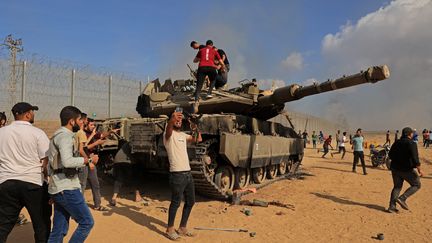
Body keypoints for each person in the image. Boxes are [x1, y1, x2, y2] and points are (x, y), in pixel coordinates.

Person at [0, 103, 51, 243]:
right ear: (27, 114)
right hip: (33, 183)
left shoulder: (2, 132)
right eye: (32, 112)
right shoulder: (37, 133)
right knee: (42, 224)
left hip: (6, 183)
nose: (33, 114)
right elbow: (46, 160)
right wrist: (47, 179)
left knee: (3, 225)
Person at [47, 106, 98, 243]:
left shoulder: (58, 135)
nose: (83, 123)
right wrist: (88, 160)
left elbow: (49, 165)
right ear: (72, 121)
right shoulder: (64, 137)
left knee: (58, 230)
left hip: (60, 187)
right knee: (87, 222)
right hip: (67, 188)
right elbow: (67, 161)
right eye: (80, 120)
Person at [163, 110, 202, 240]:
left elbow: (198, 139)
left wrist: (195, 126)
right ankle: (169, 229)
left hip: (187, 173)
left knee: (191, 201)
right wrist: (172, 119)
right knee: (175, 202)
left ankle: (182, 227)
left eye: (180, 120)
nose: (178, 121)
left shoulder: (182, 135)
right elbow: (169, 128)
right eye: (176, 120)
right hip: (177, 174)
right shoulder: (168, 135)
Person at [387, 127, 423, 213]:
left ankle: (391, 207)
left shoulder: (396, 143)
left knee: (397, 187)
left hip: (395, 168)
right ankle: (402, 198)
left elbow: (390, 155)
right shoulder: (412, 143)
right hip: (406, 169)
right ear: (410, 134)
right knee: (417, 184)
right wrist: (419, 169)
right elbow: (415, 158)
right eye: (412, 133)